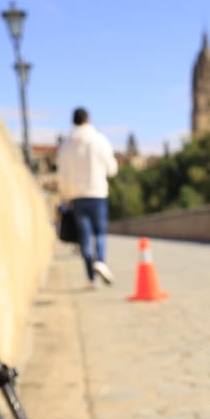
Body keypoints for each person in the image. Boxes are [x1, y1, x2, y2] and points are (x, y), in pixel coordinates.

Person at [56, 107, 118, 288]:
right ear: (88, 119)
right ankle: (100, 260)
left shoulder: (66, 145)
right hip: (97, 193)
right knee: (99, 233)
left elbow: (63, 174)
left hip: (77, 197)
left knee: (84, 237)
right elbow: (112, 169)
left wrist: (65, 196)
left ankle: (91, 279)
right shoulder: (99, 140)